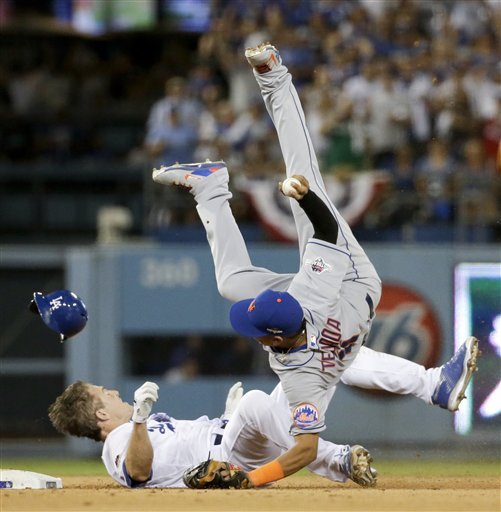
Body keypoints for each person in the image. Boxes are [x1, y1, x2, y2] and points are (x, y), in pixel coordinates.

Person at [151, 43, 479, 488]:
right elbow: (325, 233)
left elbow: (303, 446)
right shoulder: (309, 295)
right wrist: (305, 198)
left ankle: (210, 189)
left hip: (334, 340)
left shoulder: (298, 370)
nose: (252, 333)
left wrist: (253, 479)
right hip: (350, 283)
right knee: (304, 170)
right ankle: (274, 76)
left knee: (231, 283)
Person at [48, 380, 377, 488]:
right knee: (254, 402)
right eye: (104, 393)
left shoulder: (141, 428)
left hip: (231, 448)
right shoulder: (119, 441)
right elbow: (137, 471)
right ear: (101, 414)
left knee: (304, 376)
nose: (114, 391)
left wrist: (227, 418)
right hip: (225, 467)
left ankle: (339, 461)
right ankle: (338, 459)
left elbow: (188, 444)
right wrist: (138, 420)